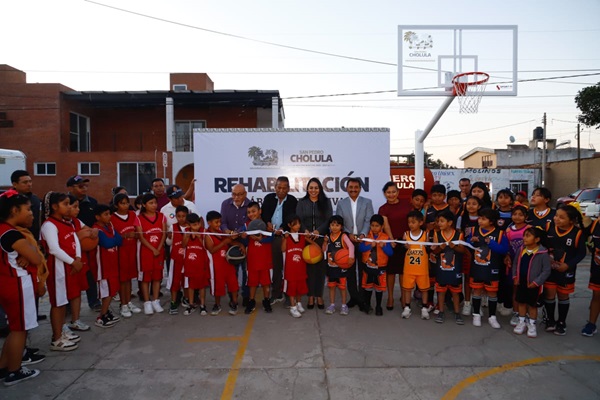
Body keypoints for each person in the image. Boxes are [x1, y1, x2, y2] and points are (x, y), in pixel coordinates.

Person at [0, 189, 44, 385]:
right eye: (27, 209)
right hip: (17, 284)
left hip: (7, 283)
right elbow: (36, 257)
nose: (31, 213)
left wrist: (26, 254)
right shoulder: (11, 234)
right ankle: (14, 371)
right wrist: (29, 252)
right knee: (20, 329)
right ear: (14, 210)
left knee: (13, 328)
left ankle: (3, 367)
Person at [40, 192, 82, 351]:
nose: (70, 207)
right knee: (57, 303)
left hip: (70, 267)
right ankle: (56, 339)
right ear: (54, 207)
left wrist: (77, 258)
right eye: (66, 204)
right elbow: (54, 249)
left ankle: (62, 331)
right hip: (58, 269)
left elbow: (76, 240)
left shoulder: (67, 223)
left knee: (64, 301)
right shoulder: (49, 225)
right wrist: (73, 262)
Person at [544, 204, 587, 335]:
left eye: (562, 218)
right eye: (556, 215)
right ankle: (550, 320)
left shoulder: (577, 233)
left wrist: (568, 265)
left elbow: (581, 253)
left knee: (563, 295)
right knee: (549, 294)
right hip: (550, 269)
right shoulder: (549, 228)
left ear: (571, 220)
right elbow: (544, 246)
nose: (557, 219)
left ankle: (561, 322)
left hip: (566, 270)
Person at [335, 177, 374, 312]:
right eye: (350, 187)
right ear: (347, 188)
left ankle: (362, 299)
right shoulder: (341, 204)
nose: (353, 190)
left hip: (363, 241)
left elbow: (369, 220)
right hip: (348, 242)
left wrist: (363, 234)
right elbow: (340, 222)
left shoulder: (367, 202)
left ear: (360, 188)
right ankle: (354, 297)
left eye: (356, 187)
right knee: (350, 271)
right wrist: (348, 234)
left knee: (363, 271)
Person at [11, 170, 43, 322]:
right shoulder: (8, 201)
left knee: (34, 281)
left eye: (30, 181)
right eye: (25, 182)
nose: (29, 184)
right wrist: (23, 252)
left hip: (33, 243)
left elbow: (37, 221)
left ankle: (33, 314)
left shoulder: (35, 199)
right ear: (14, 184)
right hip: (16, 248)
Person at [469, 208, 509, 329]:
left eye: (483, 219)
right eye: (479, 218)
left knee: (492, 292)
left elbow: (504, 250)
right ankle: (476, 314)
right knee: (476, 291)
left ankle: (492, 316)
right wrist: (471, 241)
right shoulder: (474, 230)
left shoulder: (500, 233)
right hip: (477, 267)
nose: (480, 221)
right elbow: (467, 245)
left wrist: (490, 243)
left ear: (491, 221)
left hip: (493, 268)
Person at [296, 178, 333, 309]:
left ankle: (319, 296)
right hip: (306, 239)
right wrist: (304, 230)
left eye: (316, 188)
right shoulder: (302, 202)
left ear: (320, 189)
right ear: (307, 189)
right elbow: (298, 219)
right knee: (309, 269)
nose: (313, 190)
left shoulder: (326, 202)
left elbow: (329, 220)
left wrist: (319, 231)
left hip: (321, 238)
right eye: (311, 188)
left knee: (321, 269)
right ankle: (310, 296)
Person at [261, 176, 298, 306]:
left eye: (284, 188)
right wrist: (268, 223)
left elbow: (292, 218)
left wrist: (283, 228)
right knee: (276, 267)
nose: (281, 190)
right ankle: (276, 294)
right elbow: (264, 214)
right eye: (279, 187)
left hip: (285, 237)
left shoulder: (292, 200)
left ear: (288, 188)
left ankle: (289, 295)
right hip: (271, 237)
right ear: (275, 187)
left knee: (288, 268)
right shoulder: (269, 198)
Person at [67, 175, 100, 312]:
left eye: (86, 185)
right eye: (80, 186)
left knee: (90, 273)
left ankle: (93, 300)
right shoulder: (64, 202)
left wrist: (94, 230)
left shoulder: (92, 202)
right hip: (69, 245)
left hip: (88, 244)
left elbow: (96, 222)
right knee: (71, 274)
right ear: (71, 188)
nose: (84, 188)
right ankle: (68, 304)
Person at [512, 227, 551, 338]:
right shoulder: (521, 250)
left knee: (532, 305)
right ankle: (521, 321)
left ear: (537, 239)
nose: (524, 238)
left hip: (534, 285)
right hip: (521, 282)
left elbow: (546, 270)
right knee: (521, 302)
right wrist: (515, 276)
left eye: (528, 236)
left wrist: (537, 282)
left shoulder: (542, 253)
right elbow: (515, 264)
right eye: (524, 235)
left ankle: (532, 324)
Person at [430, 210, 465, 325]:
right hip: (441, 268)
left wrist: (454, 246)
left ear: (450, 222)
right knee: (441, 290)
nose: (439, 223)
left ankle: (456, 312)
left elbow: (462, 250)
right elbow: (435, 251)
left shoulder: (459, 234)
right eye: (438, 221)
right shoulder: (437, 234)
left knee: (455, 291)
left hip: (455, 268)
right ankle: (441, 311)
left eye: (441, 221)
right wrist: (441, 247)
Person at [378, 182, 409, 310]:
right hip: (390, 243)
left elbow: (411, 222)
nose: (391, 194)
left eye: (393, 192)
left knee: (403, 272)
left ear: (398, 192)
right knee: (390, 272)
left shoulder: (407, 205)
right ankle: (390, 297)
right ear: (384, 194)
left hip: (405, 242)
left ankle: (403, 298)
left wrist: (407, 237)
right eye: (388, 192)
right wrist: (391, 240)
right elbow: (386, 225)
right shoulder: (383, 208)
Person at [110, 193, 141, 318]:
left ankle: (128, 302)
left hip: (132, 250)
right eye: (122, 203)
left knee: (129, 279)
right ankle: (122, 304)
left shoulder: (133, 214)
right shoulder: (112, 218)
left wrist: (137, 235)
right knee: (122, 280)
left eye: (127, 202)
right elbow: (111, 235)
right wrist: (125, 236)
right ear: (116, 205)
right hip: (120, 251)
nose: (125, 205)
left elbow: (138, 230)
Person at [135, 193, 167, 315]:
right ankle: (147, 302)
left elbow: (163, 233)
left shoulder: (162, 216)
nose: (154, 205)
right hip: (145, 252)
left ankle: (155, 300)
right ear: (144, 205)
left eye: (155, 203)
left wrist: (158, 248)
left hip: (159, 250)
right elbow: (141, 237)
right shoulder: (139, 218)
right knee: (145, 278)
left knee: (157, 276)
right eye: (150, 203)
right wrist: (152, 249)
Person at [92, 204, 123, 328]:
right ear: (97, 217)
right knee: (107, 292)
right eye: (106, 214)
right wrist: (114, 239)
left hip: (112, 264)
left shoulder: (109, 226)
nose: (109, 216)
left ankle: (106, 312)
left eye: (109, 213)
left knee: (113, 289)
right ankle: (101, 316)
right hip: (103, 267)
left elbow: (119, 240)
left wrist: (114, 239)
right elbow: (107, 243)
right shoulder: (97, 230)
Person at [204, 211, 240, 316]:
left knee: (233, 284)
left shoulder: (221, 232)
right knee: (218, 286)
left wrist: (239, 244)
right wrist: (225, 242)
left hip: (228, 263)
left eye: (220, 222)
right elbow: (212, 250)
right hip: (216, 265)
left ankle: (234, 303)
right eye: (216, 222)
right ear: (209, 223)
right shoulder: (207, 235)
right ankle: (217, 304)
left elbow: (230, 242)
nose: (219, 224)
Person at [220, 183, 250, 305]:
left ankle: (246, 297)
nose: (236, 198)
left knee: (246, 271)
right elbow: (222, 223)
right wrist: (227, 231)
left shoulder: (250, 205)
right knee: (232, 272)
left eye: (239, 195)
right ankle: (233, 297)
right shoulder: (225, 204)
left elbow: (252, 222)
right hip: (231, 241)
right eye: (234, 194)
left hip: (246, 241)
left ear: (245, 194)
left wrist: (243, 231)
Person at [242, 202, 274, 314]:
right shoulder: (246, 226)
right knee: (252, 283)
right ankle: (251, 301)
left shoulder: (267, 225)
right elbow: (245, 242)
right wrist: (244, 237)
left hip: (265, 260)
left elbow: (271, 238)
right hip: (252, 261)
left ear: (260, 211)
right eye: (249, 212)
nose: (251, 214)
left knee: (266, 283)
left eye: (253, 211)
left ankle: (266, 300)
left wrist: (261, 240)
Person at [358, 214, 393, 316]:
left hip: (380, 268)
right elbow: (360, 249)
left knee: (379, 288)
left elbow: (390, 253)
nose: (374, 227)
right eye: (372, 225)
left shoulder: (386, 238)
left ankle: (378, 306)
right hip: (368, 268)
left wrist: (383, 247)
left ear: (382, 227)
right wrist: (369, 246)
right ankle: (367, 305)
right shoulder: (366, 237)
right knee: (368, 287)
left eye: (377, 225)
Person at [401, 211, 431, 320]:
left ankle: (424, 307)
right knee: (407, 289)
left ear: (421, 222)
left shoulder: (425, 235)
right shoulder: (406, 234)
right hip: (409, 268)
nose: (411, 224)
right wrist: (404, 246)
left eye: (413, 222)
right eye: (409, 222)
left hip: (422, 269)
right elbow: (402, 247)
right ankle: (407, 307)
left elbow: (429, 249)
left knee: (424, 289)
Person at [504, 203, 529, 326]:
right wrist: (507, 256)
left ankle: (527, 313)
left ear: (526, 216)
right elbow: (507, 246)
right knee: (515, 288)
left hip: (527, 263)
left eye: (520, 215)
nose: (517, 217)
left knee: (526, 288)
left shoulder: (529, 229)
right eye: (514, 214)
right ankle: (516, 312)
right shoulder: (508, 230)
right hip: (513, 264)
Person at [323, 215, 354, 316]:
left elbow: (351, 246)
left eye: (337, 225)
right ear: (329, 226)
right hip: (331, 266)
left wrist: (351, 257)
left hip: (341, 268)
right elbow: (324, 250)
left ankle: (344, 306)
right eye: (332, 225)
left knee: (342, 287)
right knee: (331, 287)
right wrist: (324, 242)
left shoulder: (343, 236)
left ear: (341, 226)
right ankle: (332, 305)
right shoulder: (328, 237)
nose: (334, 227)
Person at [281, 215, 311, 318]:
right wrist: (284, 239)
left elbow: (311, 244)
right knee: (292, 289)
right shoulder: (287, 236)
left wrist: (309, 236)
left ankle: (298, 303)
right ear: (289, 225)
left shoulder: (302, 236)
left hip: (301, 268)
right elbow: (283, 249)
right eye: (295, 224)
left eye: (299, 223)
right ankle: (292, 307)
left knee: (300, 288)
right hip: (290, 269)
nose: (298, 225)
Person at [457, 196, 483, 316]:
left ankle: (477, 302)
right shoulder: (462, 218)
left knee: (478, 278)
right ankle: (467, 303)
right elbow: (459, 235)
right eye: (468, 204)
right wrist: (465, 249)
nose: (470, 206)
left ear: (479, 206)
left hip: (480, 252)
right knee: (467, 278)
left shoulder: (483, 219)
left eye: (474, 204)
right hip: (466, 251)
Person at [181, 213, 210, 316]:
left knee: (202, 286)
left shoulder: (203, 232)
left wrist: (199, 237)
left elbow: (207, 246)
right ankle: (191, 304)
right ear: (189, 225)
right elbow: (183, 245)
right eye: (193, 225)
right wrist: (187, 237)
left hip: (201, 263)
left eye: (197, 224)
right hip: (190, 263)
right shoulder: (186, 231)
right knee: (191, 285)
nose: (196, 226)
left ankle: (202, 305)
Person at [167, 205, 189, 315]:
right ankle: (173, 301)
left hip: (187, 259)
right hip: (176, 259)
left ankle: (186, 298)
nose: (181, 218)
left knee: (186, 281)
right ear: (176, 216)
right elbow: (168, 243)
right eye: (179, 216)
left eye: (184, 216)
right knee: (175, 282)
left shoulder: (190, 227)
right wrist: (169, 237)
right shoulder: (172, 227)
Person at [582, 218, 600, 337]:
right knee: (597, 295)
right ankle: (591, 324)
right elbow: (581, 235)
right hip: (597, 269)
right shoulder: (595, 224)